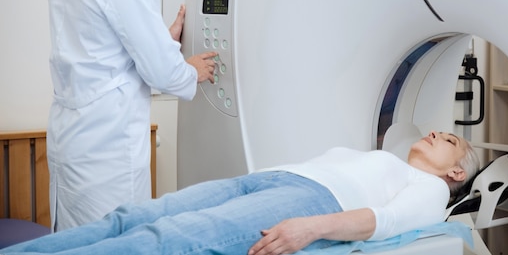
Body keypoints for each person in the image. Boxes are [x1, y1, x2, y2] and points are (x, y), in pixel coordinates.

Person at [45, 0, 218, 232]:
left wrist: (162, 39)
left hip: (70, 142)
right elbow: (164, 74)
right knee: (115, 244)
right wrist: (190, 68)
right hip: (108, 152)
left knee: (75, 243)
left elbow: (99, 46)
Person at [3, 131, 480, 255]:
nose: (437, 133)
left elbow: (386, 223)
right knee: (130, 217)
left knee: (168, 239)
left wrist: (308, 229)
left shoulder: (431, 190)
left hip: (309, 203)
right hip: (267, 179)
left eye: (450, 140)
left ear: (456, 171)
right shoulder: (389, 160)